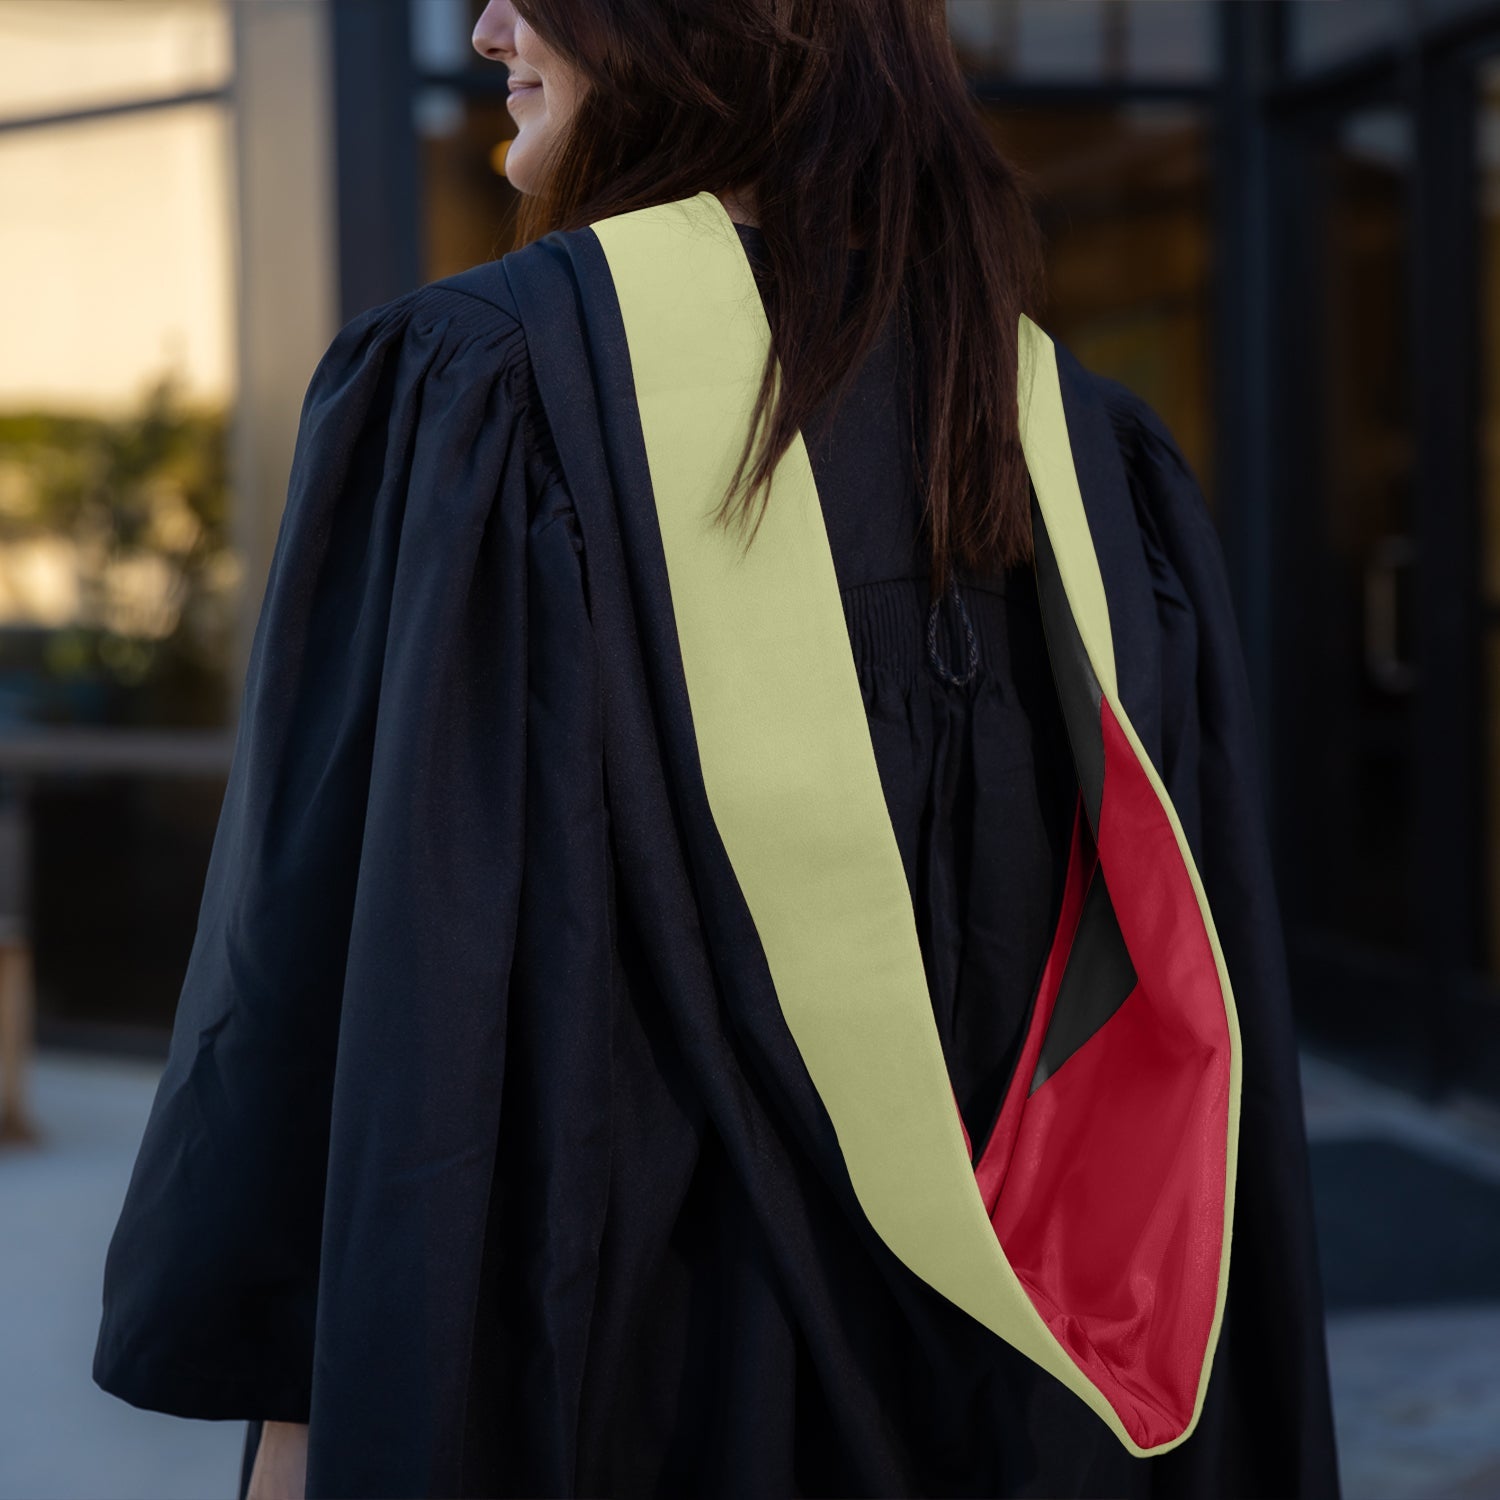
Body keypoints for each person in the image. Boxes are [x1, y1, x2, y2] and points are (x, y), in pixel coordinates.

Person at [92, 3, 1342, 1497]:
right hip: (1027, 1420)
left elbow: (328, 1014)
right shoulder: (1082, 456)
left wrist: (295, 1440)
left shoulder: (484, 396)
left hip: (621, 1393)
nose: (490, 24)